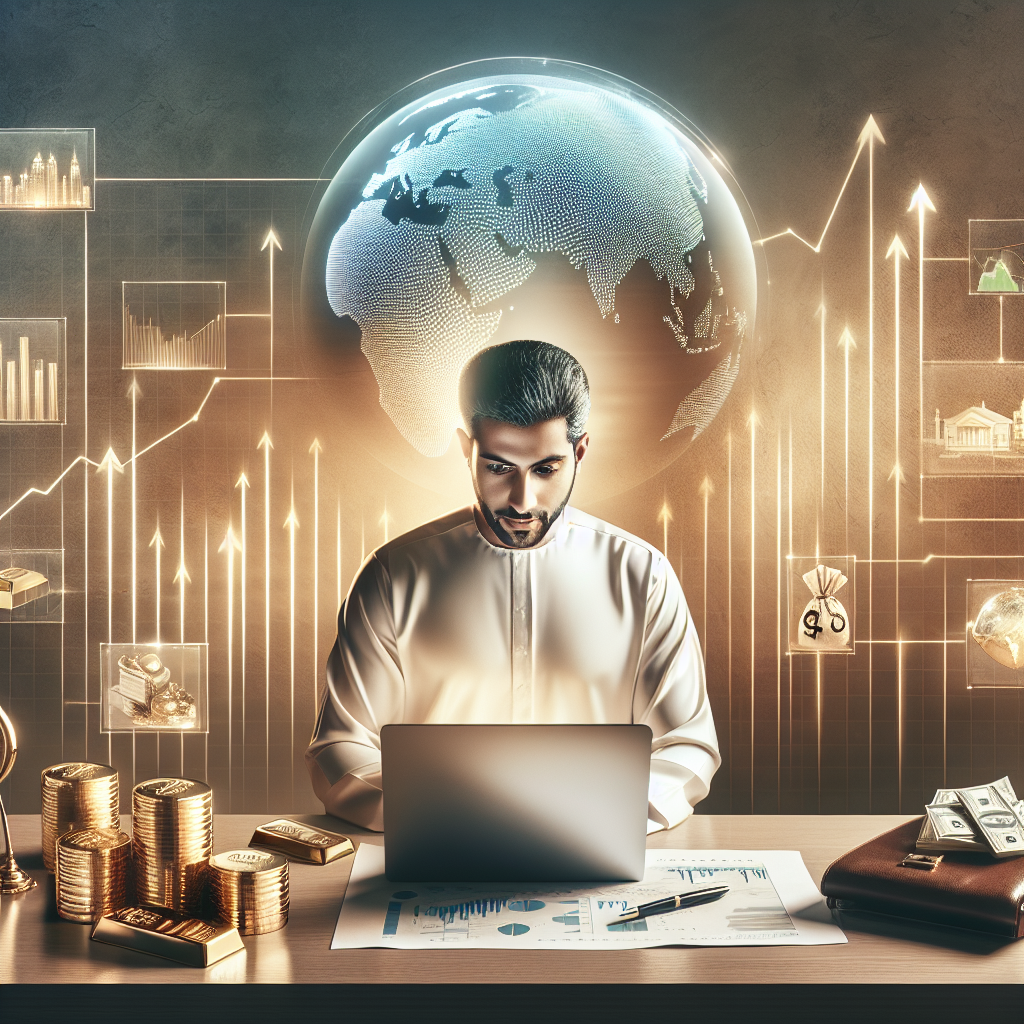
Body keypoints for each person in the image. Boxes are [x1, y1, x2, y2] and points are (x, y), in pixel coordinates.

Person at [306, 340, 720, 832]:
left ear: (579, 451)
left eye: (546, 469)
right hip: (440, 851)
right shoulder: (392, 576)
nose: (523, 500)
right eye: (500, 467)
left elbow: (687, 746)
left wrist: (596, 818)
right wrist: (447, 815)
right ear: (467, 451)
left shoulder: (643, 576)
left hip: (595, 850)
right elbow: (341, 747)